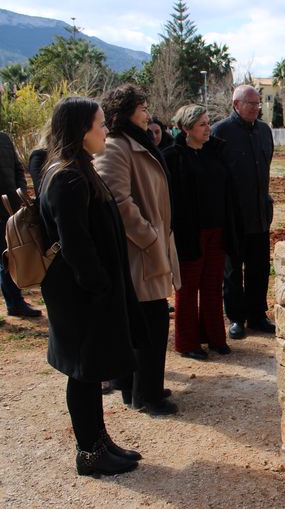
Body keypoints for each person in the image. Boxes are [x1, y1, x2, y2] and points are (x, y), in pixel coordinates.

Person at [39, 96, 144, 476]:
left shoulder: (77, 168)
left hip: (85, 295)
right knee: (83, 374)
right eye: (100, 124)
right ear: (82, 131)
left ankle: (99, 441)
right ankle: (89, 453)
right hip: (81, 298)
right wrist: (100, 286)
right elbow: (76, 245)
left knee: (88, 372)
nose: (105, 130)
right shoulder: (68, 177)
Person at [94, 84, 181, 416]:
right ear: (126, 111)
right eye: (142, 108)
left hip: (147, 248)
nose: (148, 113)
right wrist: (149, 238)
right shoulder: (116, 147)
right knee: (150, 323)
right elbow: (117, 202)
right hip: (137, 252)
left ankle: (138, 387)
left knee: (145, 322)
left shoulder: (136, 141)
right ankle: (147, 395)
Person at [163, 105, 237, 360]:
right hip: (189, 232)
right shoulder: (172, 156)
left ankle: (215, 337)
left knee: (212, 286)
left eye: (208, 122)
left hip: (217, 229)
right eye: (202, 124)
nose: (208, 128)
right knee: (187, 288)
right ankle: (187, 342)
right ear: (186, 128)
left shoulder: (215, 152)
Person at [211, 85, 274, 340]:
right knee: (233, 270)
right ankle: (236, 317)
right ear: (236, 104)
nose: (256, 108)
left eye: (258, 103)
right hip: (233, 217)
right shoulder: (221, 132)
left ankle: (257, 314)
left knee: (259, 267)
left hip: (259, 213)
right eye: (251, 103)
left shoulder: (263, 131)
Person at [0, 130, 42, 317]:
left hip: (8, 210)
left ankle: (15, 303)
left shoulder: (4, 138)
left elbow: (18, 169)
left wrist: (20, 191)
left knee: (9, 256)